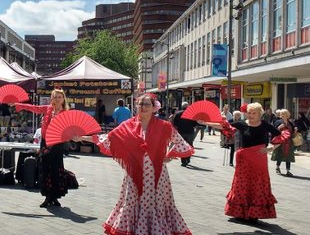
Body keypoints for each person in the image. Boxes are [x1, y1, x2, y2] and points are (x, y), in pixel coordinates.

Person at [74, 93, 193, 234]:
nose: (143, 107)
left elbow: (181, 143)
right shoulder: (128, 125)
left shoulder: (164, 126)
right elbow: (108, 138)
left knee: (156, 203)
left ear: (154, 107)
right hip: (134, 172)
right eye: (140, 104)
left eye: (147, 104)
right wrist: (82, 137)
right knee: (133, 202)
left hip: (157, 174)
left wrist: (169, 155)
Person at [200, 102, 283, 222]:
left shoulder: (264, 124)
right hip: (243, 158)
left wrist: (271, 148)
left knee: (258, 184)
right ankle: (240, 212)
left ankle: (254, 214)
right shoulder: (242, 124)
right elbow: (224, 126)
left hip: (259, 159)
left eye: (254, 113)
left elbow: (281, 136)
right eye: (249, 113)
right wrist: (206, 123)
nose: (251, 115)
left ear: (260, 113)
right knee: (241, 184)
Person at [15, 88, 71, 208]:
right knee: (45, 168)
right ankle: (48, 197)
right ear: (52, 98)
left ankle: (54, 196)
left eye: (59, 97)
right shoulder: (48, 109)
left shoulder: (65, 113)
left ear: (63, 99)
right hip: (45, 142)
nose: (57, 99)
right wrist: (18, 104)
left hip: (57, 144)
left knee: (56, 169)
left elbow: (68, 130)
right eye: (55, 97)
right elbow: (34, 108)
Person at [271, 108, 297, 176]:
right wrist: (279, 128)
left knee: (288, 157)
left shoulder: (290, 123)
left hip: (289, 142)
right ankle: (277, 167)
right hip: (281, 141)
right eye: (281, 114)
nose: (282, 115)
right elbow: (274, 131)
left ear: (287, 115)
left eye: (284, 114)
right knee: (279, 155)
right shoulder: (278, 122)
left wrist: (295, 131)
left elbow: (292, 134)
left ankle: (288, 171)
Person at [172, 101, 198, 167]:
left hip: (181, 132)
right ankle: (188, 158)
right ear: (187, 107)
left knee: (182, 146)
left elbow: (174, 123)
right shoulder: (191, 114)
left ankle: (183, 161)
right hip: (190, 132)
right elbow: (195, 124)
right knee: (189, 145)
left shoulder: (178, 114)